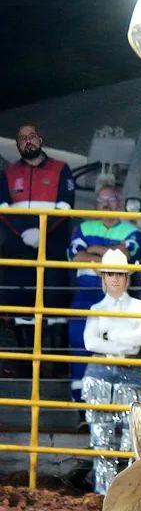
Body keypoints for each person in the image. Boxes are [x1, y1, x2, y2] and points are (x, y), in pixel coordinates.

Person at [0, 123, 75, 359]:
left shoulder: (61, 169)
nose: (27, 141)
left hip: (52, 244)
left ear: (40, 139)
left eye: (31, 137)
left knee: (54, 299)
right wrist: (25, 234)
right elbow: (3, 208)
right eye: (22, 139)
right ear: (18, 145)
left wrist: (41, 233)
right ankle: (26, 360)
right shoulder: (8, 173)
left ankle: (55, 363)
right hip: (18, 246)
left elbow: (65, 206)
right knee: (21, 299)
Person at [82, 249, 141, 494]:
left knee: (132, 435)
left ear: (127, 277)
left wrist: (110, 337)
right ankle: (105, 491)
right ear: (103, 277)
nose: (114, 279)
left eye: (119, 274)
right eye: (110, 274)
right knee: (102, 433)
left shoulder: (139, 306)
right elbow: (90, 343)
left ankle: (128, 491)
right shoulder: (96, 308)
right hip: (101, 371)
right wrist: (125, 341)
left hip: (128, 370)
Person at [67, 185, 141, 400]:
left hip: (115, 294)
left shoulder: (131, 230)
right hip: (86, 292)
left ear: (119, 202)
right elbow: (76, 256)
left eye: (111, 199)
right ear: (95, 203)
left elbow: (126, 253)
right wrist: (111, 256)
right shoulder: (83, 227)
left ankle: (110, 399)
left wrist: (92, 251)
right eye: (101, 199)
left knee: (113, 345)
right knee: (79, 341)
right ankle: (80, 400)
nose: (106, 204)